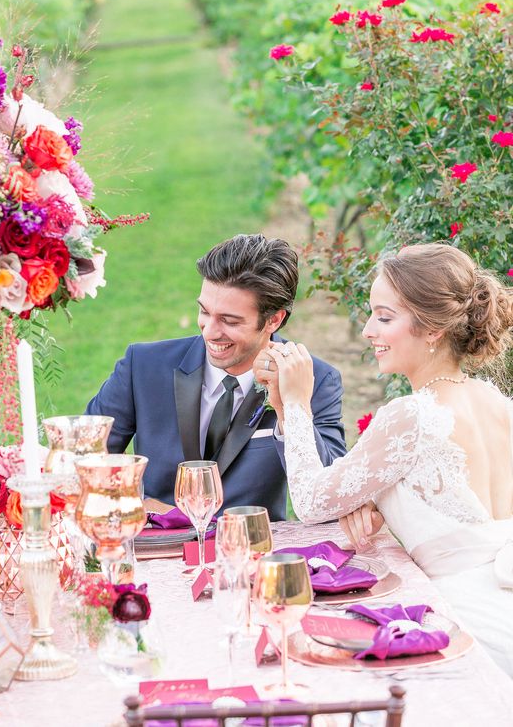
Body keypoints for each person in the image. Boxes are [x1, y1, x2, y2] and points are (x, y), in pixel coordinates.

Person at [254, 242, 513, 675]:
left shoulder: (412, 416)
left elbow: (313, 503)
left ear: (432, 329)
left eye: (385, 317)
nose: (368, 330)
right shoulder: (498, 402)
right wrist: (374, 495)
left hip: (464, 618)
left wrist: (296, 404)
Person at [85, 233, 346, 520]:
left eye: (229, 320)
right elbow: (84, 460)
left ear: (274, 319)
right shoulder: (143, 366)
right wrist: (141, 503)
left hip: (252, 554)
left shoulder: (316, 381)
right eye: (204, 311)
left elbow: (332, 502)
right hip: (154, 550)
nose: (209, 331)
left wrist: (292, 407)